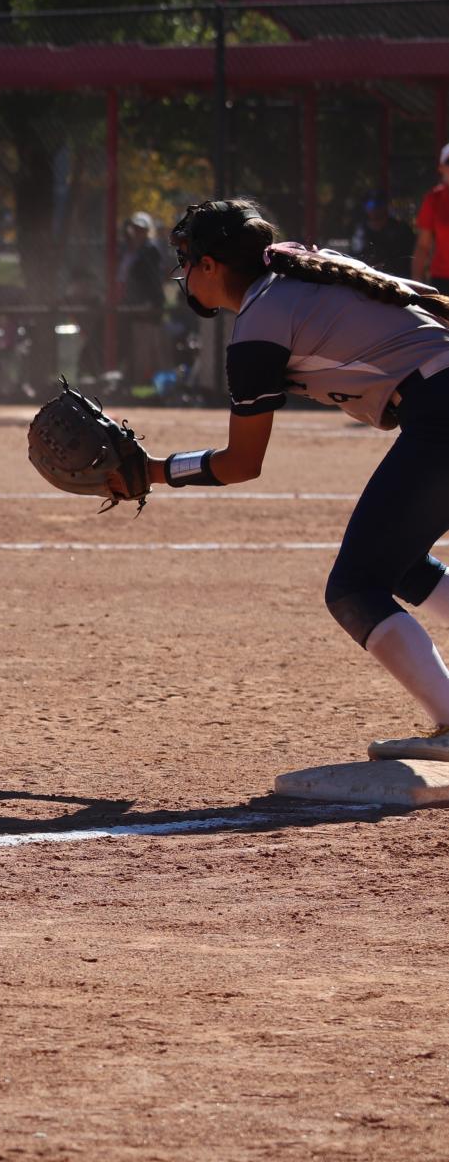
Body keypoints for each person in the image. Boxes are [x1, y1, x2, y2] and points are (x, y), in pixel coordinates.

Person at [151, 198, 449, 758]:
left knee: (354, 588)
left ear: (212, 265)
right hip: (441, 405)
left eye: (188, 260)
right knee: (401, 564)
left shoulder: (259, 325)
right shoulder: (297, 269)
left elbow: (243, 463)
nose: (184, 273)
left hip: (441, 414)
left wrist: (156, 471)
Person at [117, 212, 169, 386]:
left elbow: (153, 279)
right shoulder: (128, 250)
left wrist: (151, 302)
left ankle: (146, 383)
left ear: (147, 231)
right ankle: (134, 381)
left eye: (141, 229)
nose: (137, 233)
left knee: (146, 347)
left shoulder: (150, 250)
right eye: (135, 229)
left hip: (146, 306)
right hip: (130, 305)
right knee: (133, 345)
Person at [353, 191, 416, 277]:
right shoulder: (361, 230)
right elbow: (355, 255)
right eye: (370, 205)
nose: (374, 209)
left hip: (398, 278)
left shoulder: (401, 229)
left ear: (386, 206)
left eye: (379, 204)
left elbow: (411, 257)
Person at [414, 144, 449, 295]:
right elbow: (423, 246)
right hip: (443, 281)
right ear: (441, 167)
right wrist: (416, 287)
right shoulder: (434, 199)